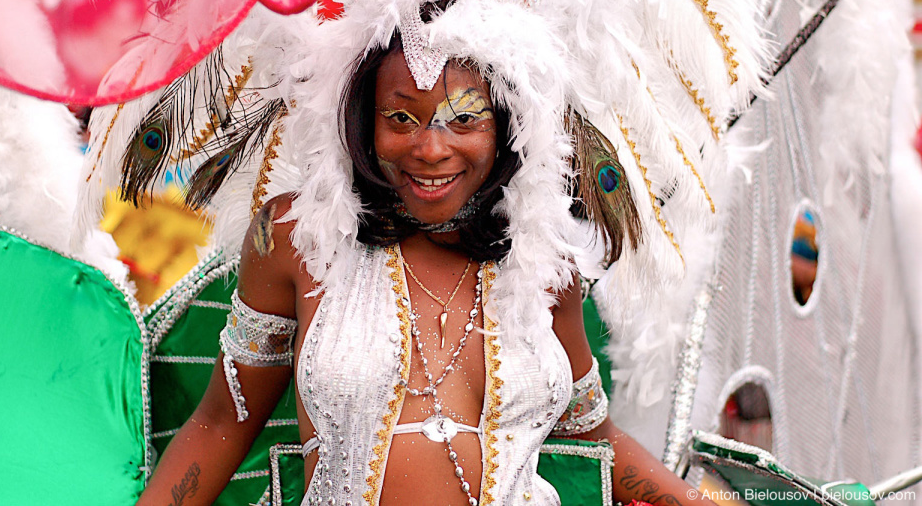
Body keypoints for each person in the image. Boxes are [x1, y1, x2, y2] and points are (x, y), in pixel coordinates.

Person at [135, 29, 719, 505]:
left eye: (464, 120)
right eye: (401, 119)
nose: (431, 149)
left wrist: (701, 504)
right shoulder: (299, 239)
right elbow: (220, 423)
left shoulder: (548, 268)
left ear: (508, 126)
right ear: (364, 126)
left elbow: (592, 440)